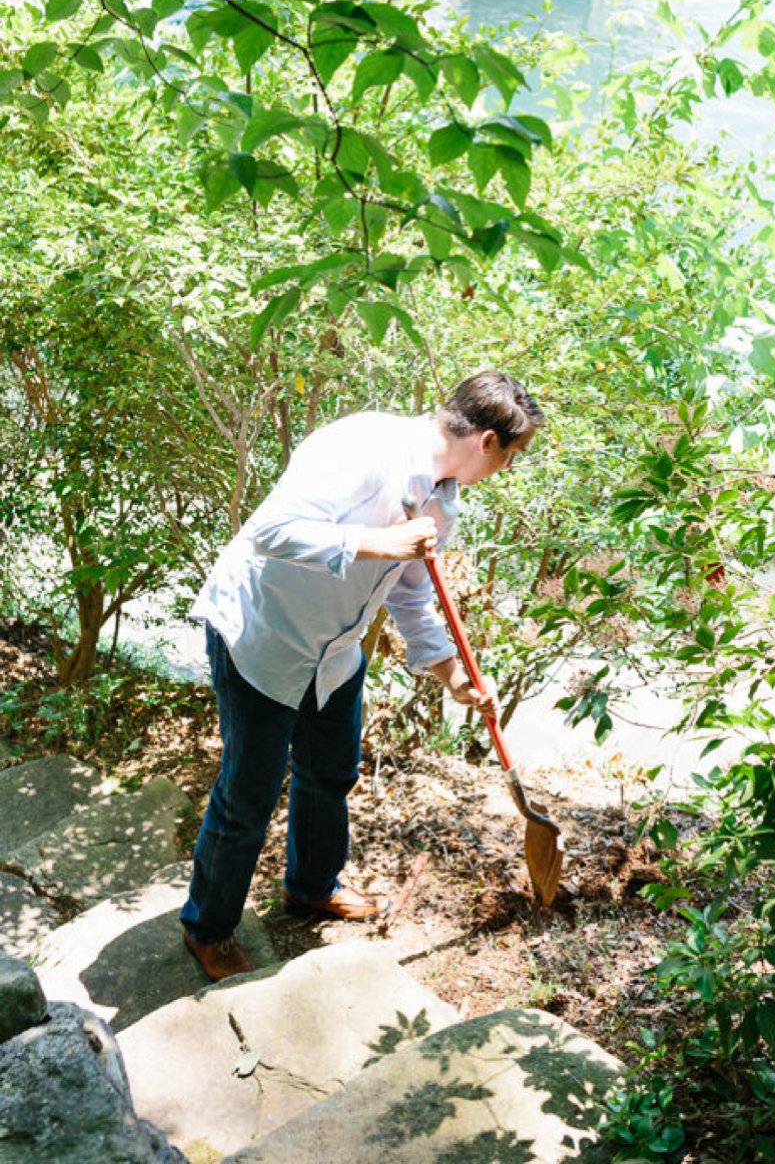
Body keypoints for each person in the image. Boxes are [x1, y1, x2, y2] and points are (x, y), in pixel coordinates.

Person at [180, 371, 544, 980]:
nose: (506, 469)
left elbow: (411, 591)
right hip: (263, 637)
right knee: (249, 795)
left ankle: (311, 885)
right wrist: (379, 541)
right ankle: (208, 928)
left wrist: (449, 672)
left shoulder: (442, 494)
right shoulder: (361, 448)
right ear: (486, 441)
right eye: (510, 456)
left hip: (335, 650)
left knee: (331, 773)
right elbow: (268, 531)